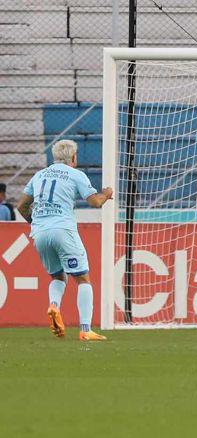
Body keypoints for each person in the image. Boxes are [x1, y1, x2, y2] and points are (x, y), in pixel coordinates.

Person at [15, 139, 112, 341]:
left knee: (58, 277)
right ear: (74, 158)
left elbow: (22, 206)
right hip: (63, 230)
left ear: (54, 157)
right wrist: (106, 194)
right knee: (83, 278)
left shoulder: (39, 175)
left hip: (40, 233)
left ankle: (54, 305)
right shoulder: (76, 174)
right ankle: (85, 329)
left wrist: (36, 223)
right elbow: (95, 202)